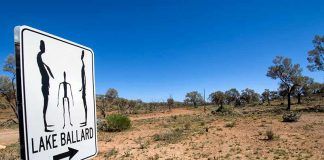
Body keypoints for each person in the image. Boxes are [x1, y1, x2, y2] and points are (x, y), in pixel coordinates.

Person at [37, 40, 55, 132]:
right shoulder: (39, 57)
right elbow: (41, 64)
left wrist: (48, 68)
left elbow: (46, 67)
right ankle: (45, 126)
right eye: (43, 47)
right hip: (44, 87)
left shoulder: (42, 60)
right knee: (45, 105)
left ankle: (46, 124)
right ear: (40, 48)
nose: (44, 49)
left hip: (46, 87)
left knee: (46, 105)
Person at [79, 51, 88, 127]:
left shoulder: (83, 67)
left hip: (84, 90)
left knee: (85, 104)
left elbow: (84, 79)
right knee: (83, 104)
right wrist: (81, 88)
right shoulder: (81, 67)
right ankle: (85, 121)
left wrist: (83, 88)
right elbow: (83, 80)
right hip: (83, 89)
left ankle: (86, 121)